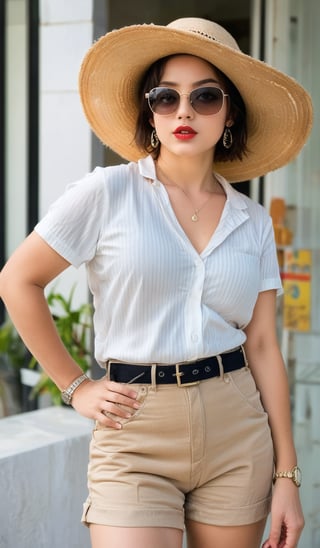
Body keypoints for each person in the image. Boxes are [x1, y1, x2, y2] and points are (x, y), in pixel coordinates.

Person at [0, 17, 313, 548]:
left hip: (237, 428)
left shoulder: (252, 220)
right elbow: (17, 280)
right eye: (166, 97)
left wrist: (288, 476)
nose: (184, 111)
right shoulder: (106, 193)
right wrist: (75, 386)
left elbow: (262, 345)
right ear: (151, 111)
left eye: (206, 97)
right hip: (134, 429)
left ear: (230, 112)